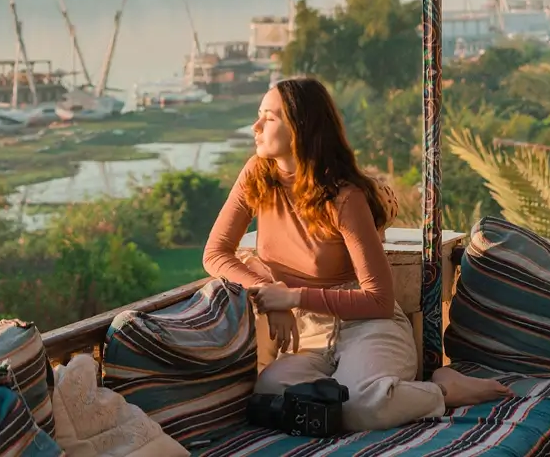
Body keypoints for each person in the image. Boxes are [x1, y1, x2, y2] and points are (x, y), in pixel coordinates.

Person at [202, 77, 511, 432]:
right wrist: (269, 293)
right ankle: (375, 391)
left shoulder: (344, 197)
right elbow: (216, 253)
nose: (255, 127)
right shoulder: (256, 175)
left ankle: (442, 389)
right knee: (272, 394)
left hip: (366, 326)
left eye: (269, 118)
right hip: (308, 334)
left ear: (301, 129)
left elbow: (378, 300)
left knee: (363, 404)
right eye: (259, 116)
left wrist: (292, 295)